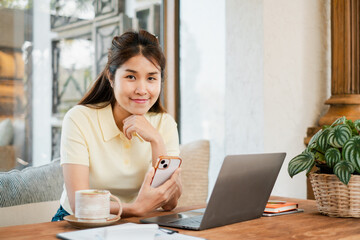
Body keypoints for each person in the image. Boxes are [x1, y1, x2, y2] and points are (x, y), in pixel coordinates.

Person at [52, 30, 182, 221]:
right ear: (111, 78)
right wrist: (135, 209)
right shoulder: (78, 119)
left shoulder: (164, 123)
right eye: (131, 77)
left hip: (138, 222)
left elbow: (170, 203)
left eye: (151, 78)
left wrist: (156, 140)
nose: (142, 90)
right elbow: (79, 204)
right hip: (82, 221)